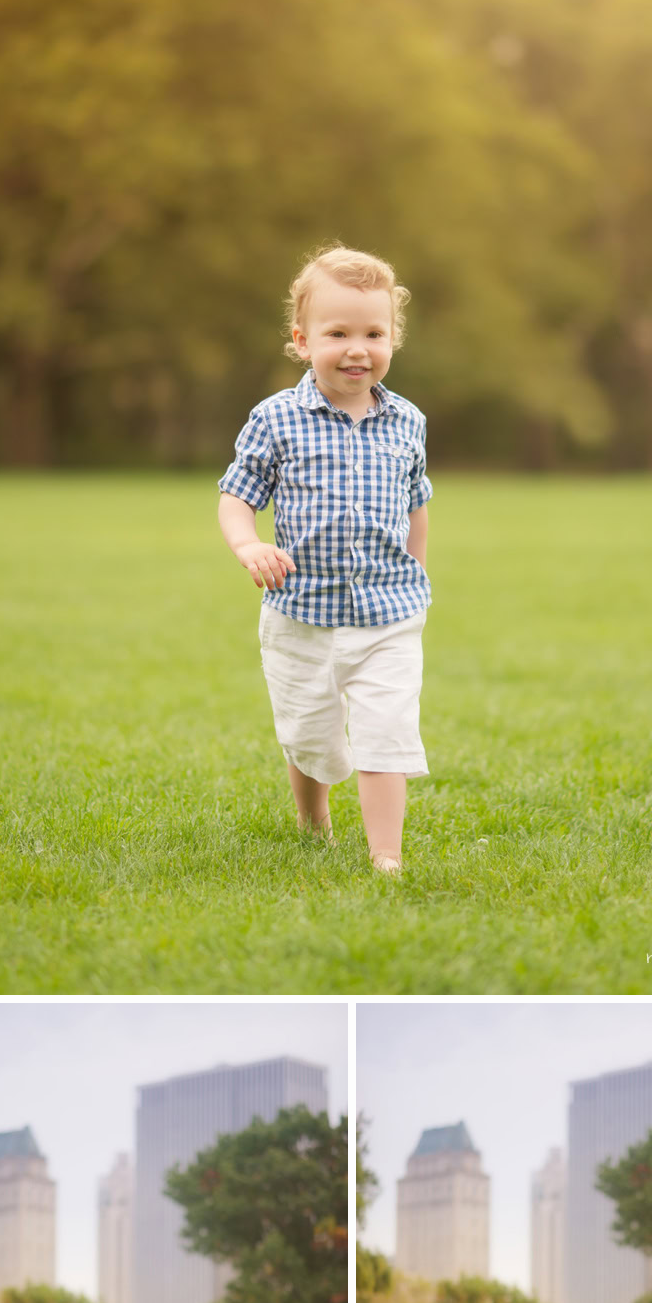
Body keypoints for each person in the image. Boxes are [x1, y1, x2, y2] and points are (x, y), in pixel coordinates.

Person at [217, 242, 432, 876]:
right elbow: (236, 495)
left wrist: (417, 572)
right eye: (337, 332)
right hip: (300, 612)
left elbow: (416, 502)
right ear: (303, 341)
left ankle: (386, 859)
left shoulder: (407, 422)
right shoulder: (277, 418)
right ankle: (315, 828)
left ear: (394, 337)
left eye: (374, 332)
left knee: (384, 732)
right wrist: (248, 544)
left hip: (388, 612)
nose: (358, 348)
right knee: (309, 734)